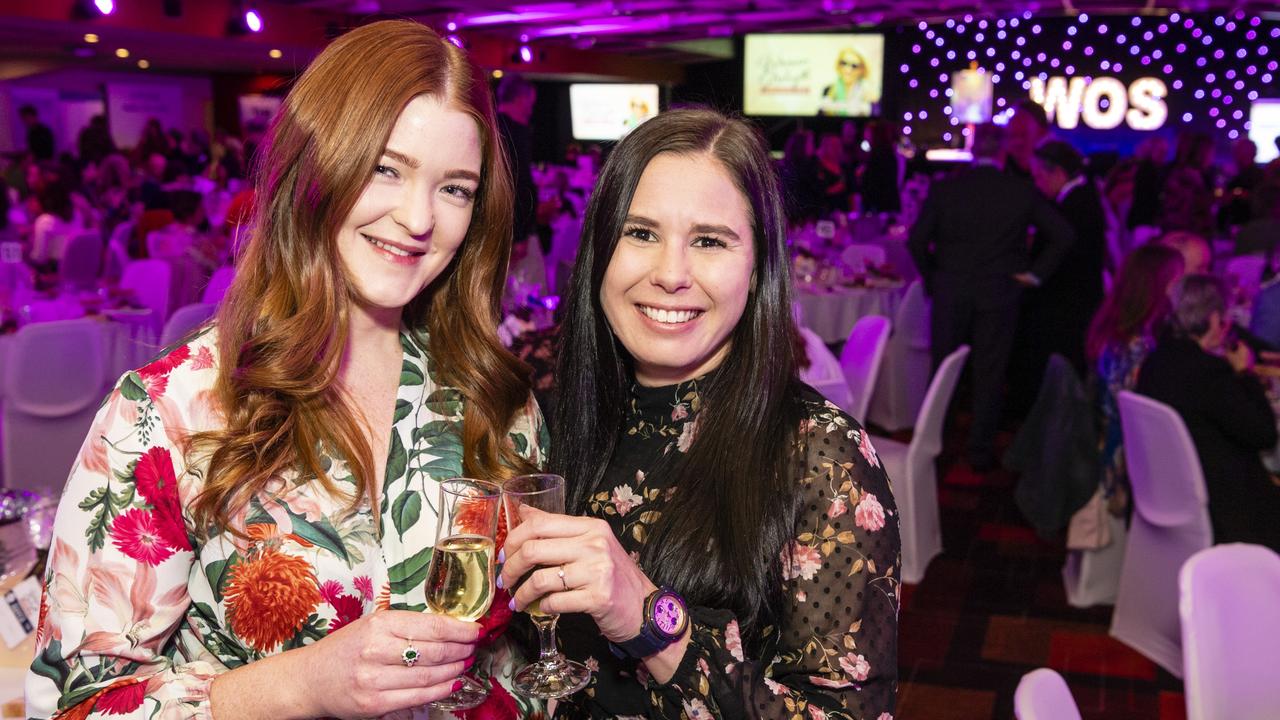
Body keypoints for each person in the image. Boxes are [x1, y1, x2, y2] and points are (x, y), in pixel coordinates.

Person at [27, 20, 548, 719]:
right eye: (385, 169)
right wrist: (300, 686)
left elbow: (524, 667)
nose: (418, 217)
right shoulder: (168, 413)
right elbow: (78, 704)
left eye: (455, 189)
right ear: (314, 165)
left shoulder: (498, 403)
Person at [499, 108, 900, 718]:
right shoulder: (559, 416)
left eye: (709, 241)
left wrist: (651, 621)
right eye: (640, 233)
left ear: (758, 265)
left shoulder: (819, 456)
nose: (669, 274)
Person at [908, 123, 1075, 471]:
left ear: (972, 149)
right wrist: (1034, 275)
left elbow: (916, 240)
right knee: (990, 372)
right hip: (999, 292)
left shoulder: (946, 189)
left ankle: (934, 445)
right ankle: (979, 452)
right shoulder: (1020, 190)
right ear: (1002, 152)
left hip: (951, 289)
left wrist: (933, 279)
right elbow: (1063, 234)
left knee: (943, 372)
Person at [1135, 274, 1280, 551]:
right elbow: (1264, 435)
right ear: (1214, 320)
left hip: (1171, 495)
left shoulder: (1157, 361)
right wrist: (1244, 373)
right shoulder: (1210, 376)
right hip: (1229, 509)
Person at [1085, 244, 1185, 515]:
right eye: (1179, 281)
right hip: (1122, 459)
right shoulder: (1135, 344)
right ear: (1162, 286)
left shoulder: (1119, 324)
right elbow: (1131, 411)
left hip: (1111, 442)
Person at [1027, 138, 1108, 376]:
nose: (1037, 184)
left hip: (1067, 308)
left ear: (1059, 173)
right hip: (1076, 301)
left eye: (1040, 176)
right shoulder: (1084, 197)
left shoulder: (1072, 207)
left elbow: (1058, 257)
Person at [496, 74, 539, 253]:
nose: (530, 110)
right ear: (521, 99)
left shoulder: (490, 126)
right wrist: (520, 234)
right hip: (510, 230)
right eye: (530, 103)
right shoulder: (515, 133)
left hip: (496, 225)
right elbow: (519, 184)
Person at [818, 47, 876, 116]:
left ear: (862, 69)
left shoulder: (869, 93)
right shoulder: (828, 90)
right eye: (844, 63)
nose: (848, 69)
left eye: (854, 66)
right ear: (838, 65)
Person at [1003, 100, 1050, 179]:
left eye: (1024, 135)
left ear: (1042, 134)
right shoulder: (1001, 173)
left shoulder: (1054, 178)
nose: (1017, 142)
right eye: (1012, 135)